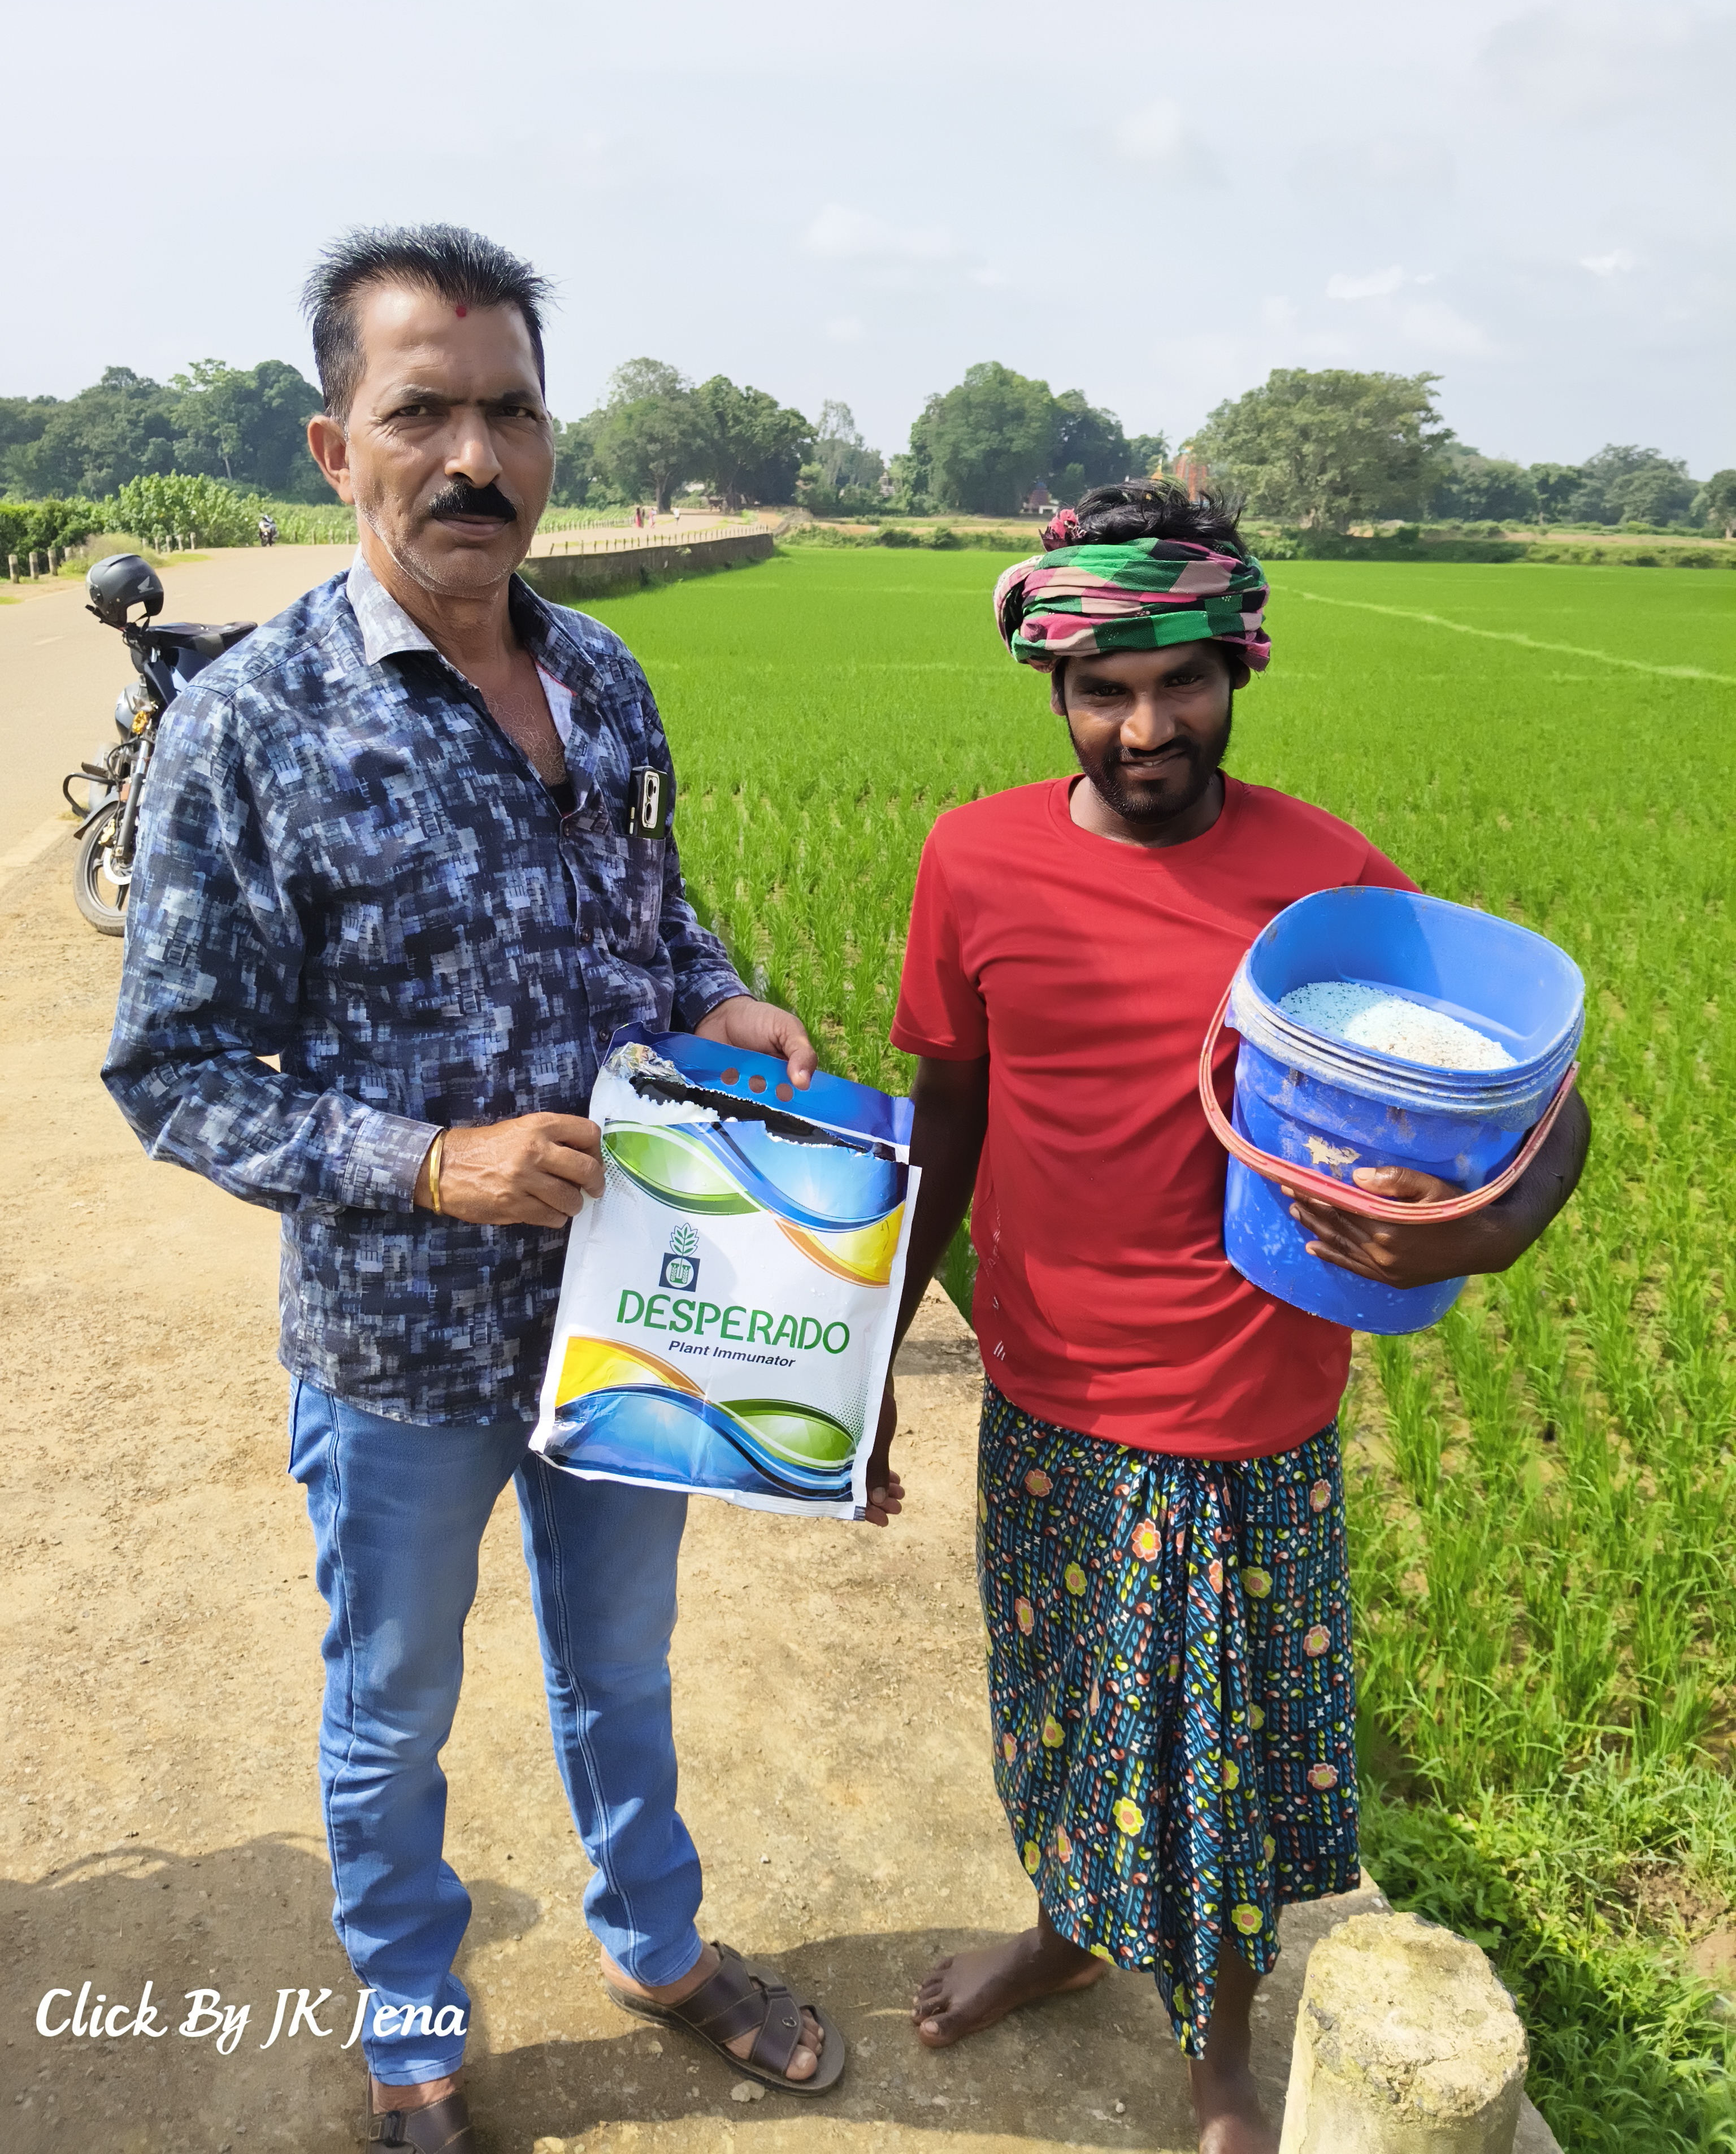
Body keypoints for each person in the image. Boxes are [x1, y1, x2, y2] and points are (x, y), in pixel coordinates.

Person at [104, 225, 845, 2152]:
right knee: (392, 1707)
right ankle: (417, 2033)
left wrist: (719, 995)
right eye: (420, 412)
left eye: (510, 413)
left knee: (622, 1670)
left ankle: (656, 1947)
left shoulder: (603, 676)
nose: (473, 459)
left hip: (632, 1308)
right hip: (399, 1349)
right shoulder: (250, 724)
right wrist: (432, 1166)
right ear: (333, 444)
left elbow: (647, 920)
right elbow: (171, 1073)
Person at [876, 482, 1590, 2154]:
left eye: (1181, 681)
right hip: (1043, 1380)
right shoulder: (974, 860)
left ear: (1237, 668)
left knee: (1217, 1755)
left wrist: (1484, 1235)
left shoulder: (1328, 888)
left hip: (1244, 1393)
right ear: (1054, 687)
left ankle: (1219, 2061)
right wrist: (871, 1357)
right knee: (1061, 1697)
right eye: (1105, 690)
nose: (1147, 728)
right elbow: (949, 1122)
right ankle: (1063, 1937)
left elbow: (1541, 1100)